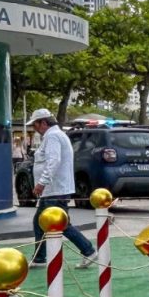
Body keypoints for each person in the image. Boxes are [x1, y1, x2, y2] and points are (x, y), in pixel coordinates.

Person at [26, 108, 97, 269]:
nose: (34, 128)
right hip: (55, 189)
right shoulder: (55, 135)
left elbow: (53, 161)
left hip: (55, 189)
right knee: (40, 222)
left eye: (35, 125)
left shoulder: (52, 137)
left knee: (59, 224)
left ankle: (88, 250)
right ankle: (40, 257)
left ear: (43, 123)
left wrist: (41, 182)